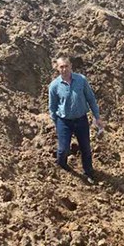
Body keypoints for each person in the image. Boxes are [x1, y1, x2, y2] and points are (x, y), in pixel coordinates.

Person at [48, 55, 104, 184]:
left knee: (85, 148)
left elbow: (91, 99)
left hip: (81, 120)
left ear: (71, 66)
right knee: (63, 149)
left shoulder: (81, 80)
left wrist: (97, 116)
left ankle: (88, 172)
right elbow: (52, 107)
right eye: (61, 67)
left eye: (66, 66)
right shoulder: (54, 86)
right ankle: (62, 165)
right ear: (57, 68)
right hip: (64, 121)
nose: (64, 69)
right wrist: (57, 122)